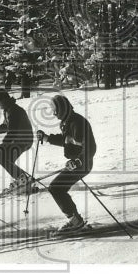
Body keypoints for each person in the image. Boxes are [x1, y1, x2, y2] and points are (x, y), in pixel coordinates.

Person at [36, 94, 97, 232]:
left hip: (82, 163)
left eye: (55, 109)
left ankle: (75, 221)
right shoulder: (67, 121)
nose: (53, 113)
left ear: (62, 108)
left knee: (56, 188)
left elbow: (91, 147)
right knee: (57, 188)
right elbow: (66, 140)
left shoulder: (77, 123)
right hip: (76, 163)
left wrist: (78, 161)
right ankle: (75, 219)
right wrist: (46, 138)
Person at [0, 89, 37, 195]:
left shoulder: (13, 111)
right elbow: (6, 126)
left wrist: (2, 145)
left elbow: (12, 132)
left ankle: (23, 179)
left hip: (23, 140)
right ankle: (24, 179)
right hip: (21, 140)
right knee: (5, 158)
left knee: (2, 157)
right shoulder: (8, 109)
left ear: (4, 99)